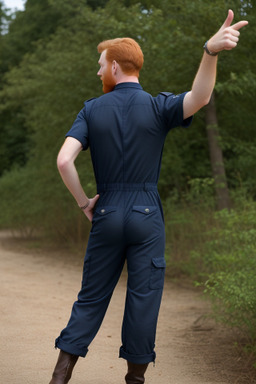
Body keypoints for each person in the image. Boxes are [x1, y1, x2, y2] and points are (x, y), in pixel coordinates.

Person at [49, 10, 248, 384]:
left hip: (107, 209)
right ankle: (135, 381)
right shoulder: (158, 107)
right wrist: (209, 52)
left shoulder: (91, 109)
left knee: (91, 298)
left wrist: (84, 203)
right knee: (143, 298)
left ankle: (60, 378)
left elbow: (63, 161)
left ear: (116, 68)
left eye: (100, 66)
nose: (97, 73)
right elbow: (201, 97)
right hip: (146, 212)